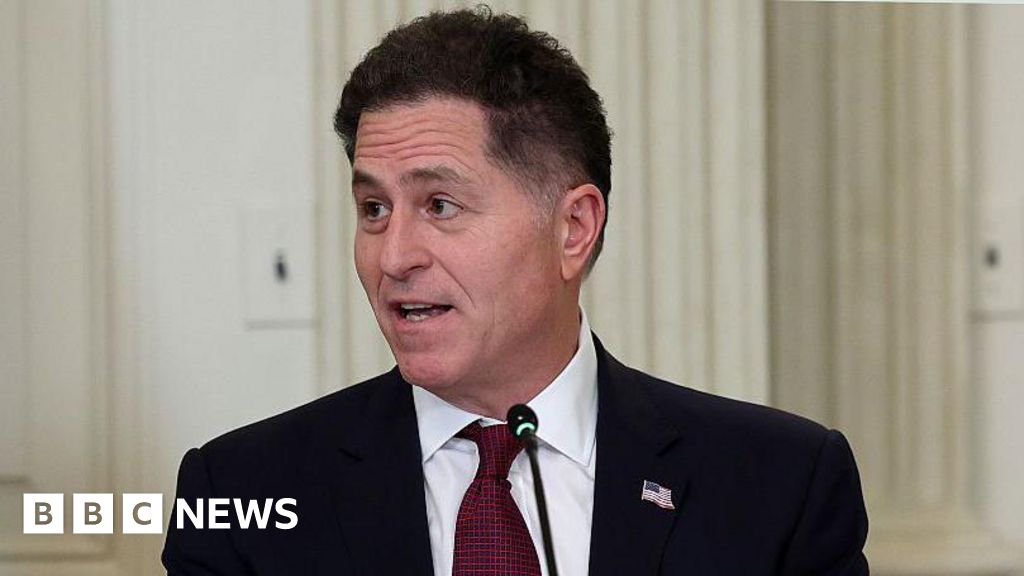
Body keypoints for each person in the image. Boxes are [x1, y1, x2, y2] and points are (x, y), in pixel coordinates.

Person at [163, 7, 868, 575]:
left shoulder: (780, 488)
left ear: (573, 229)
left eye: (440, 205)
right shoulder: (242, 493)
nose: (394, 256)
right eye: (373, 209)